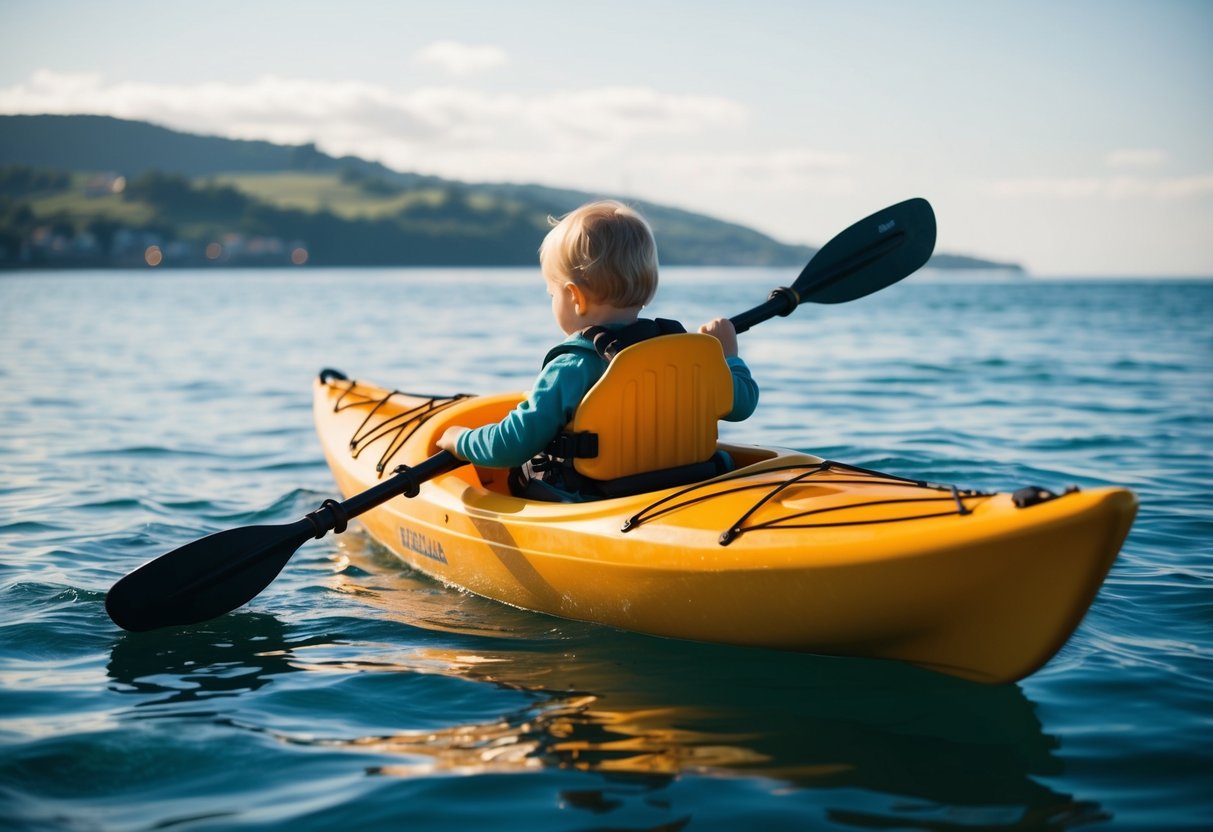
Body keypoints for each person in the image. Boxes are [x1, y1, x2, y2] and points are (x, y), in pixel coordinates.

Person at [437, 199, 758, 499]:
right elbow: (743, 404)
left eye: (552, 295)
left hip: (593, 500)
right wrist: (728, 356)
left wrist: (458, 440)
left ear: (575, 297)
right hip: (684, 485)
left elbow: (511, 445)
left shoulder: (573, 366)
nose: (552, 302)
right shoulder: (686, 354)